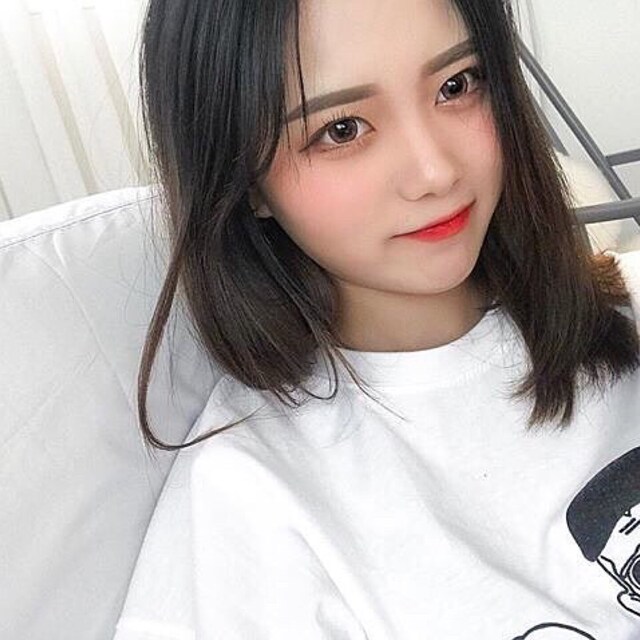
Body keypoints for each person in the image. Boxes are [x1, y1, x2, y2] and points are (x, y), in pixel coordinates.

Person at [114, 0, 640, 637]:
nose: (435, 171)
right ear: (244, 178)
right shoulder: (247, 503)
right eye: (342, 129)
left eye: (456, 85)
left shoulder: (622, 309)